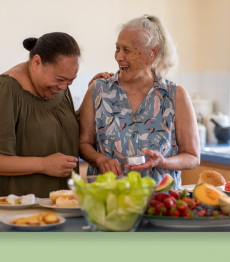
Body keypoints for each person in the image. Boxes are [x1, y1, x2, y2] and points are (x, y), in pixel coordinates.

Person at [0, 32, 114, 201]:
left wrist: (92, 92)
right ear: (37, 62)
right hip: (12, 215)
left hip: (53, 213)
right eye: (60, 79)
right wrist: (43, 164)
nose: (64, 87)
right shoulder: (4, 90)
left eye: (70, 81)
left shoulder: (57, 90)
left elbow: (64, 130)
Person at [79, 15, 200, 189]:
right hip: (108, 199)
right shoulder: (98, 90)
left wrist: (162, 162)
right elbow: (83, 144)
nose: (118, 57)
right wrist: (100, 159)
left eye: (127, 50)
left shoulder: (176, 96)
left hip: (161, 202)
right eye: (117, 49)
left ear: (150, 55)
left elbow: (192, 157)